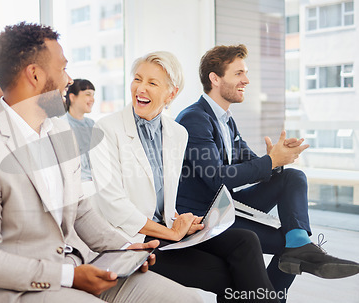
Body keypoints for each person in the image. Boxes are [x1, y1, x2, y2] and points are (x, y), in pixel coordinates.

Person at [0, 22, 202, 303]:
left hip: (81, 267)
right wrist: (69, 277)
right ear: (35, 75)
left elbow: (80, 211)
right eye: (62, 68)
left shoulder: (59, 131)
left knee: (189, 300)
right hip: (20, 290)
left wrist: (127, 249)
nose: (69, 80)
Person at [90, 51, 279, 302]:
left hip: (168, 231)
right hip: (134, 240)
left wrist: (181, 222)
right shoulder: (105, 129)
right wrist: (169, 233)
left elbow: (164, 197)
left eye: (152, 83)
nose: (140, 88)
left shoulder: (177, 133)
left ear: (172, 93)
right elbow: (113, 205)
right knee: (231, 275)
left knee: (245, 240)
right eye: (137, 79)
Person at [175, 44, 359, 299]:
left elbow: (252, 164)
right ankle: (278, 280)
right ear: (215, 79)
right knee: (289, 245)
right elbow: (218, 178)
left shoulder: (226, 120)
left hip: (224, 205)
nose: (246, 80)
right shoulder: (194, 119)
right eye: (239, 73)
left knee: (292, 177)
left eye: (245, 73)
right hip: (205, 216)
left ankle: (298, 245)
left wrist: (277, 160)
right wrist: (270, 161)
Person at [63, 78, 96, 181]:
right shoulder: (62, 126)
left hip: (96, 180)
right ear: (72, 97)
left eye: (93, 95)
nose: (92, 99)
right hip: (78, 183)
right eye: (88, 94)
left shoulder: (92, 124)